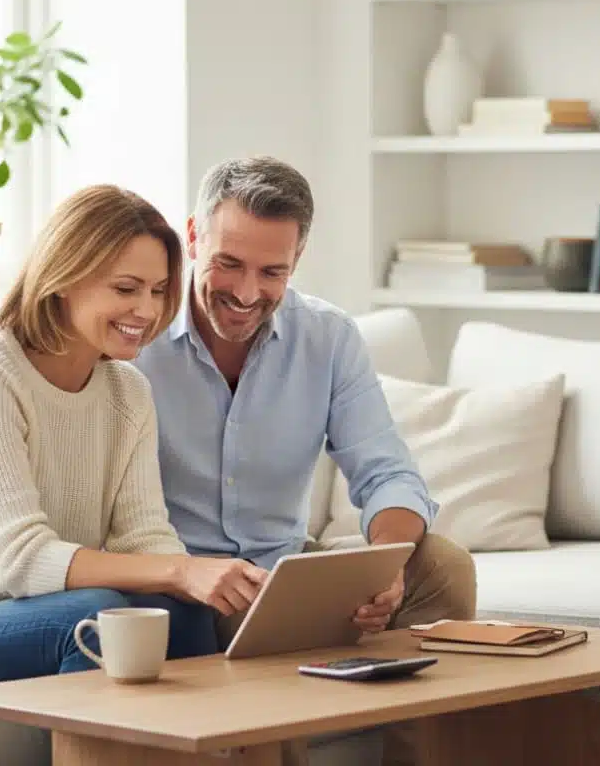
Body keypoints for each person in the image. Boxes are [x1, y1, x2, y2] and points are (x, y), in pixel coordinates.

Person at [0, 184, 267, 684]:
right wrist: (180, 571)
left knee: (183, 610)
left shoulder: (128, 391)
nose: (148, 311)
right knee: (94, 616)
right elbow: (21, 561)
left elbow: (143, 536)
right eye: (126, 288)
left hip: (28, 615)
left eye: (157, 291)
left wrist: (210, 581)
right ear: (64, 278)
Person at [132, 156, 478, 765]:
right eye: (228, 264)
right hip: (182, 589)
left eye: (272, 272)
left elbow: (386, 472)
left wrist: (386, 566)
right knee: (266, 639)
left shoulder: (328, 337)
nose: (245, 293)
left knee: (443, 567)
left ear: (298, 261)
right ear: (192, 237)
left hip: (283, 576)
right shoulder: (136, 336)